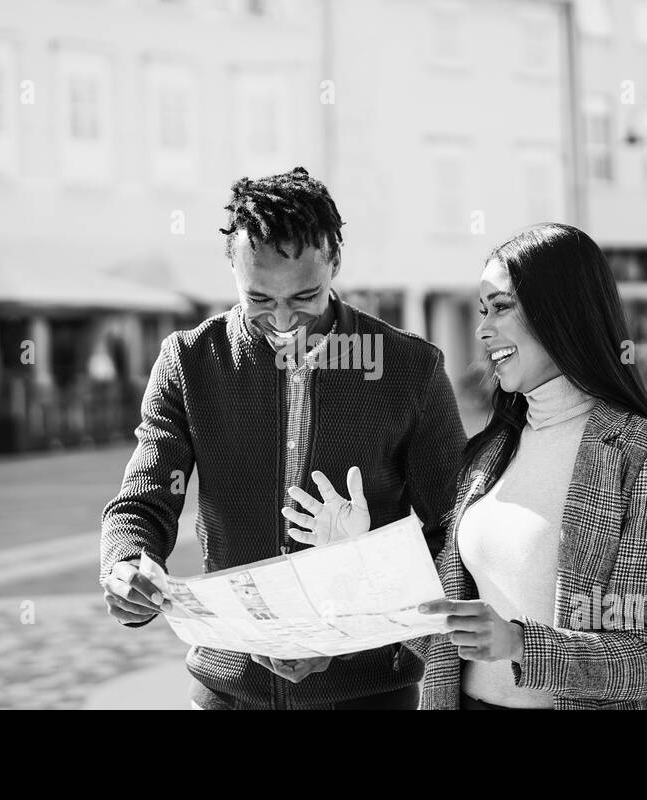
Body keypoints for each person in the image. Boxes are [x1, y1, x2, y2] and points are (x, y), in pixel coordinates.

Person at [288, 223, 647, 710]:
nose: (483, 330)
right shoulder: (490, 455)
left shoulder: (645, 456)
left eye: (501, 308)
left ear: (562, 311)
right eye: (482, 311)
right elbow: (441, 637)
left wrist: (519, 643)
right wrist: (361, 554)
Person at [98, 167, 466, 710]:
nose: (285, 321)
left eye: (305, 296)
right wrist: (128, 561)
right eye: (260, 300)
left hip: (369, 690)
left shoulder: (409, 368)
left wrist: (349, 631)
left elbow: (452, 533)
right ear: (231, 270)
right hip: (228, 689)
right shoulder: (189, 362)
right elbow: (143, 503)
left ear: (335, 261)